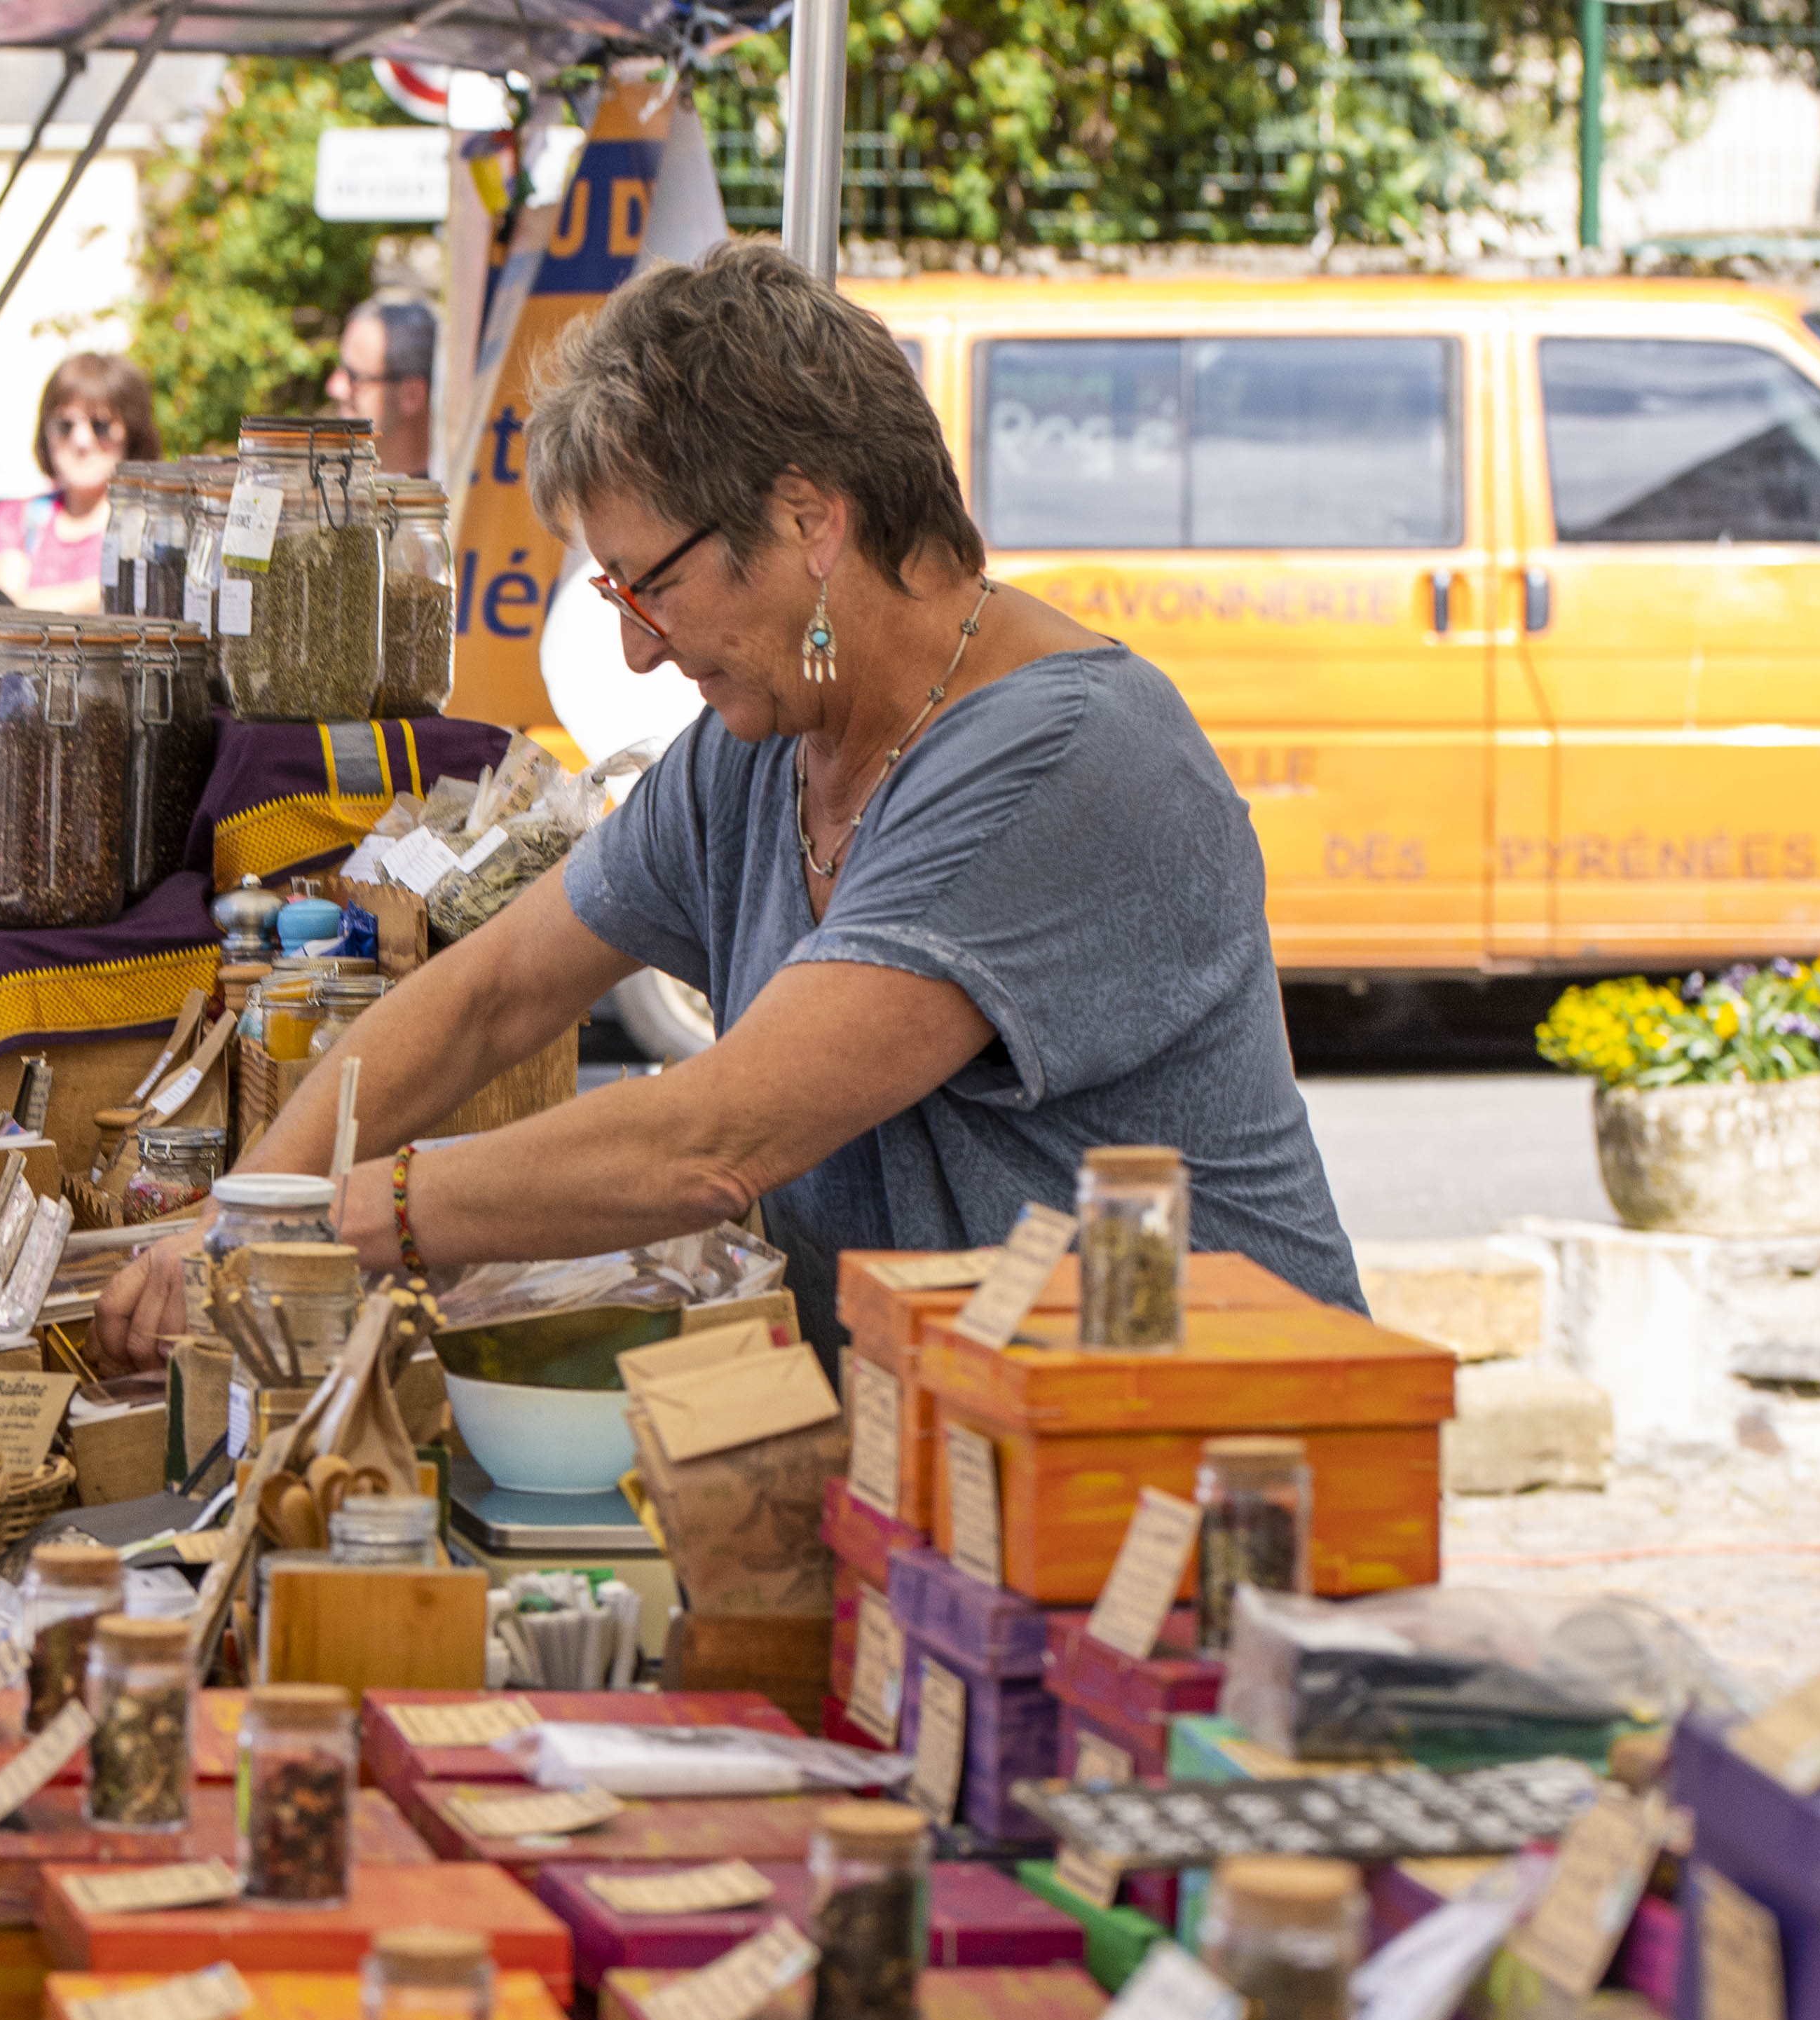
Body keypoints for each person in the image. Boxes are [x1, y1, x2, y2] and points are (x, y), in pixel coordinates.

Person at [95, 240, 1358, 1375]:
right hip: (967, 1470)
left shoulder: (1061, 759)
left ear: (809, 519)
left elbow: (711, 1141)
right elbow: (494, 993)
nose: (641, 653)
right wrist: (246, 1210)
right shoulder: (759, 746)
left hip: (1213, 1477)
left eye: (651, 588)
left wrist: (344, 1220)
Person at [0, 349, 153, 612]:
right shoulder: (15, 519)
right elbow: (4, 613)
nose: (82, 441)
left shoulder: (152, 526)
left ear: (133, 434)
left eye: (101, 425)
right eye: (64, 426)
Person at [326, 294, 439, 479]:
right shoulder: (327, 488)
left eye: (354, 377)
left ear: (413, 394)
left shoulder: (464, 495)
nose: (335, 387)